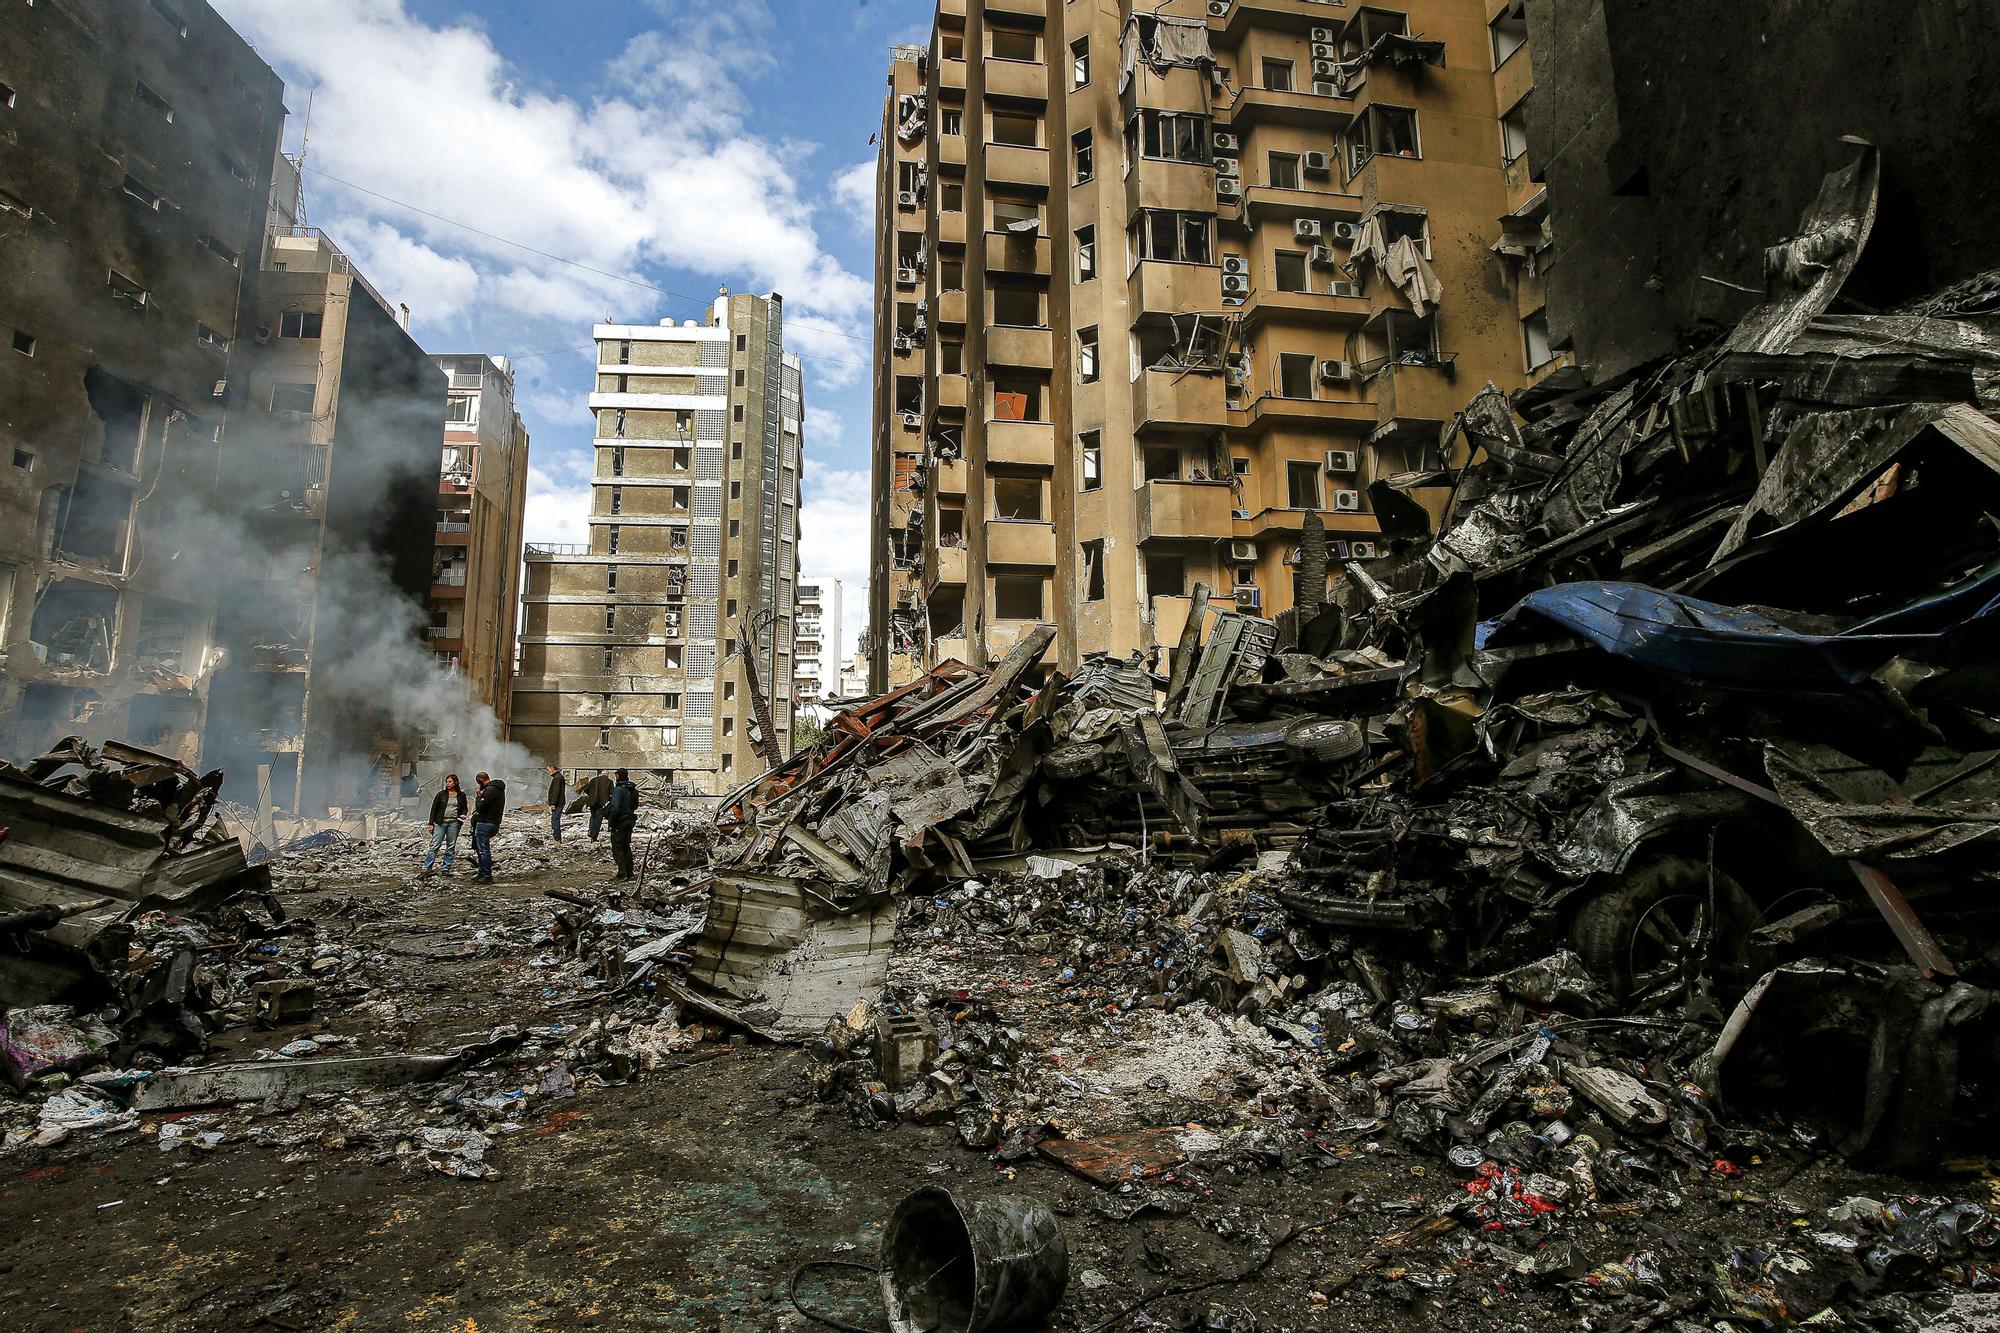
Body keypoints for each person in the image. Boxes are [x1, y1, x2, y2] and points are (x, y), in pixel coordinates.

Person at [419, 774, 467, 876]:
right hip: (441, 822)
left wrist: (463, 814)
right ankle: (426, 867)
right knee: (435, 845)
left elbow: (464, 808)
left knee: (451, 846)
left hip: (454, 822)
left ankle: (446, 868)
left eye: (450, 782)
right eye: (447, 782)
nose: (448, 784)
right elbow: (433, 809)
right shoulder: (441, 794)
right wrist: (431, 824)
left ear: (456, 782)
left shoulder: (461, 795)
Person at [470, 770, 505, 884]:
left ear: (481, 780)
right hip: (494, 822)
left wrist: (479, 797)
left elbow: (480, 808)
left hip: (485, 822)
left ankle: (486, 875)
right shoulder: (499, 789)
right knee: (482, 849)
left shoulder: (489, 790)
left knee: (483, 850)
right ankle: (482, 872)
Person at [606, 768, 640, 882]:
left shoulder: (618, 790)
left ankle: (622, 873)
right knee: (626, 847)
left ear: (618, 776)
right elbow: (635, 806)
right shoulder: (633, 790)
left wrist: (611, 821)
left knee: (617, 847)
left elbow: (615, 808)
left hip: (619, 822)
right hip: (630, 820)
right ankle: (630, 872)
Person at [577, 770, 615, 841]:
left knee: (593, 816)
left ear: (601, 774)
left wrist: (590, 796)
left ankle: (590, 831)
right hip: (602, 803)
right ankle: (594, 837)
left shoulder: (593, 780)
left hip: (592, 802)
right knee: (598, 819)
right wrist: (608, 801)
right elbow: (612, 793)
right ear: (607, 774)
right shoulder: (609, 781)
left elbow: (586, 789)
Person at [545, 764, 566, 842]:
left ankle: (557, 839)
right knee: (555, 820)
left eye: (548, 769)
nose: (547, 771)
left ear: (552, 768)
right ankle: (556, 838)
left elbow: (556, 792)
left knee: (555, 821)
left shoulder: (557, 778)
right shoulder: (558, 777)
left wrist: (553, 803)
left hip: (557, 803)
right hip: (559, 802)